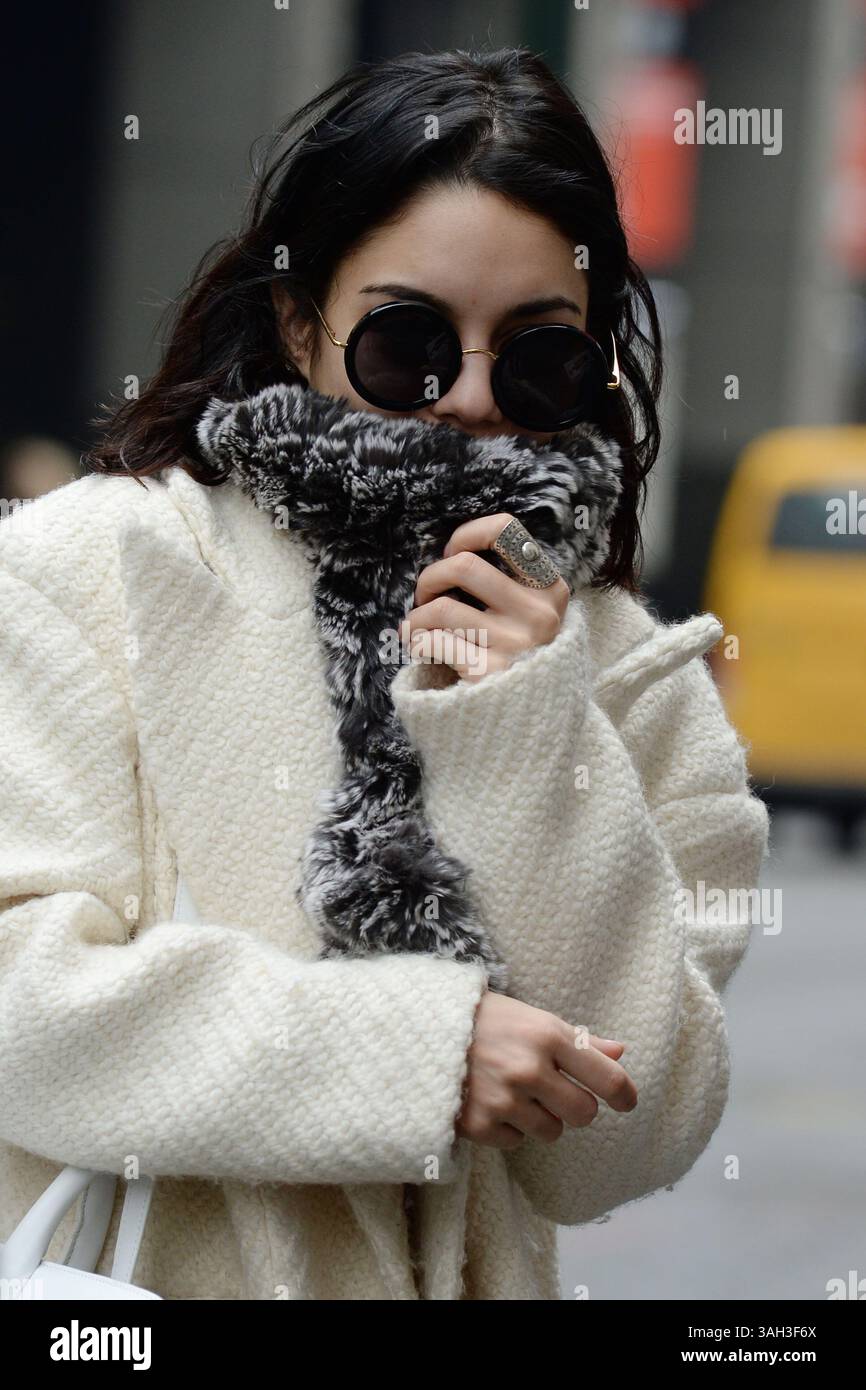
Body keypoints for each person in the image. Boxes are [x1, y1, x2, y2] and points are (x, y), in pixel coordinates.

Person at [0, 46, 769, 1301]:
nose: (466, 399)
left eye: (534, 357)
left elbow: (622, 1145)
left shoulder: (634, 674)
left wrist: (528, 728)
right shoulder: (92, 572)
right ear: (302, 324)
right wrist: (415, 1053)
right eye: (407, 343)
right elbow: (19, 1007)